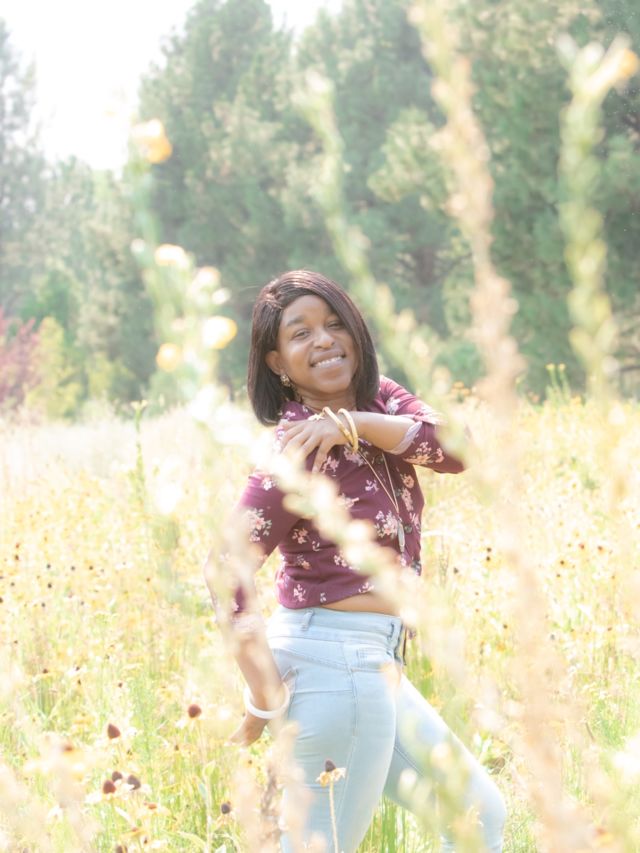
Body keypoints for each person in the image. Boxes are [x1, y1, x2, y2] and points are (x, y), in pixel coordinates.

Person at [212, 270, 506, 852]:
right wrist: (262, 695)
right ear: (277, 362)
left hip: (373, 662)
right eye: (301, 333)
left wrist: (354, 424)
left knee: (477, 816)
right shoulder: (294, 448)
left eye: (334, 324)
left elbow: (458, 450)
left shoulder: (381, 402)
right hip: (333, 663)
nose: (323, 340)